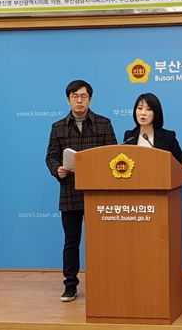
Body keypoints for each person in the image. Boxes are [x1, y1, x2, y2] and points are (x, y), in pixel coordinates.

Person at [45, 79, 117, 302]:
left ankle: (104, 283)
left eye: (83, 96)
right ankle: (70, 285)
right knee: (71, 242)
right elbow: (51, 156)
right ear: (68, 100)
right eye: (75, 96)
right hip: (70, 190)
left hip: (98, 191)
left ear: (90, 100)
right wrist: (57, 169)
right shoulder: (58, 127)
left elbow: (114, 156)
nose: (79, 100)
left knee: (102, 241)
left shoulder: (104, 123)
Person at [123, 93, 182, 168]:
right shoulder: (129, 136)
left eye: (149, 109)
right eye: (140, 108)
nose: (143, 113)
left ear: (156, 113)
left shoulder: (168, 137)